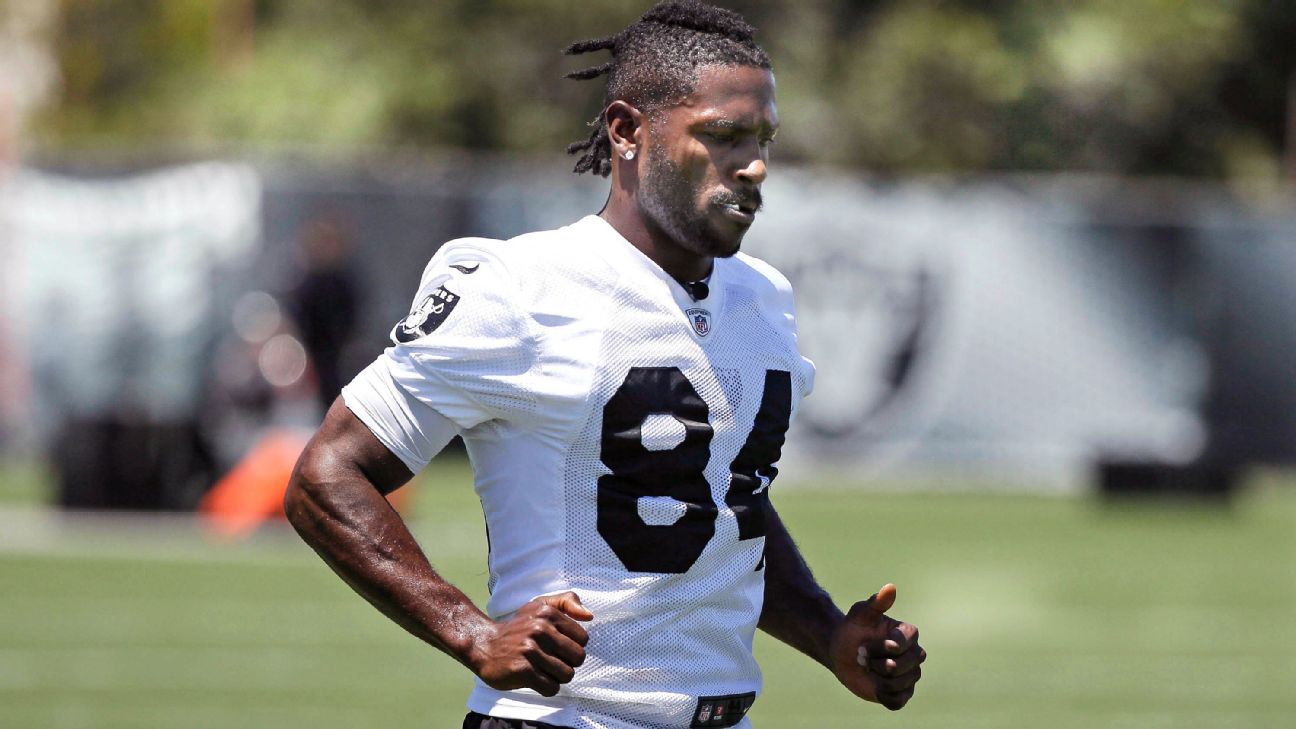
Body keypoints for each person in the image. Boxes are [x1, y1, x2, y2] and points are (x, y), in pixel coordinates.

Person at [284, 3, 925, 728]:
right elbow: (327, 474)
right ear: (626, 130)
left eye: (763, 138)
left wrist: (828, 633)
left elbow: (720, 501)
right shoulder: (521, 286)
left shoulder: (763, 298)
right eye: (722, 136)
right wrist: (471, 633)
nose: (754, 165)